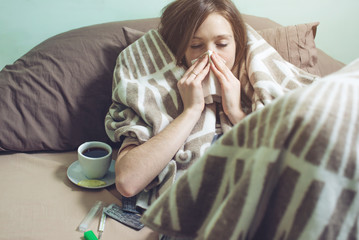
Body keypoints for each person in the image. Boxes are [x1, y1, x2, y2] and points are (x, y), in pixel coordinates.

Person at [114, 0, 248, 199]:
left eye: (222, 44)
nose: (210, 55)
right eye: (195, 45)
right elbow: (128, 181)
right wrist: (191, 111)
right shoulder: (153, 94)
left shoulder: (255, 87)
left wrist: (236, 113)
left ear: (238, 44)